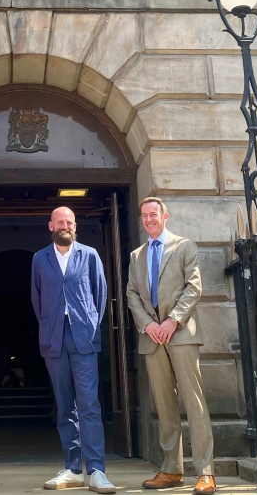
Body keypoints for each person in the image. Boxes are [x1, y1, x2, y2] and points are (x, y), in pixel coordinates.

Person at [125, 197, 216, 493]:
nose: (148, 219)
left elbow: (194, 286)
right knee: (164, 406)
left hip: (180, 334)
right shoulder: (136, 255)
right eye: (144, 216)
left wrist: (172, 321)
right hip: (152, 337)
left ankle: (205, 472)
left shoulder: (184, 246)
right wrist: (149, 325)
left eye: (153, 214)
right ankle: (171, 470)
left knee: (194, 403)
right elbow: (131, 295)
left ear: (165, 216)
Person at [31, 207, 116, 494]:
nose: (64, 225)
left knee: (89, 404)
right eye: (59, 222)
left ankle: (96, 470)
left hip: (83, 338)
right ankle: (72, 468)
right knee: (65, 405)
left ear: (75, 225)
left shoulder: (90, 255)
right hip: (54, 339)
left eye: (69, 222)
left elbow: (99, 296)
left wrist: (88, 325)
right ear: (50, 225)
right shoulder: (39, 259)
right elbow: (37, 298)